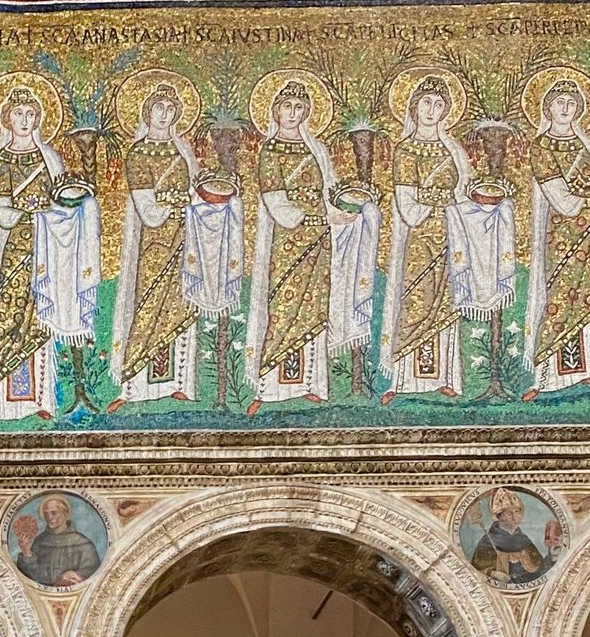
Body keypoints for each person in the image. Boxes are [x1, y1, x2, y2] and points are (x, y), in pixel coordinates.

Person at [244, 80, 376, 411]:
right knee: (284, 309)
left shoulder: (316, 150)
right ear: (276, 111)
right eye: (287, 107)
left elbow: (329, 193)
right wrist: (322, 219)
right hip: (287, 244)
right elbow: (278, 206)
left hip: (319, 243)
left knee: (316, 308)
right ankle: (269, 389)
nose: (293, 113)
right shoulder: (270, 151)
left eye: (299, 108)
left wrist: (347, 210)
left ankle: (310, 384)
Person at [0, 84, 98, 425]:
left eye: (30, 114)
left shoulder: (49, 158)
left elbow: (63, 198)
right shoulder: (0, 161)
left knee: (43, 318)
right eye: (18, 114)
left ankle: (40, 400)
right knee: (10, 318)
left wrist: (71, 204)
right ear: (7, 119)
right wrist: (32, 211)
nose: (25, 120)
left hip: (50, 249)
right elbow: (1, 212)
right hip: (16, 250)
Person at [380, 75, 511, 400]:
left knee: (446, 306)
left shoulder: (452, 150)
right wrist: (442, 201)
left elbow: (464, 194)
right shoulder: (405, 150)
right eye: (426, 102)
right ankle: (403, 382)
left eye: (439, 105)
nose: (432, 110)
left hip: (452, 238)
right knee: (416, 303)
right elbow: (408, 207)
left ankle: (444, 378)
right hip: (419, 241)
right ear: (414, 107)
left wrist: (487, 205)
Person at [110, 83, 201, 407]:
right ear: (147, 112)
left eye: (170, 108)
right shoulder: (137, 153)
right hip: (153, 245)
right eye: (159, 107)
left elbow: (194, 193)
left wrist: (189, 203)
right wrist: (176, 203)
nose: (164, 114)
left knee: (181, 306)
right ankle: (135, 387)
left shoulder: (182, 151)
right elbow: (147, 209)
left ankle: (178, 383)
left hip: (184, 239)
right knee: (148, 307)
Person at [524, 79, 590, 398]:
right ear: (547, 107)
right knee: (561, 298)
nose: (565, 108)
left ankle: (585, 371)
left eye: (571, 103)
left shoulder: (585, 144)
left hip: (588, 232)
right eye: (559, 102)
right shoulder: (541, 147)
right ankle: (549, 377)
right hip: (561, 238)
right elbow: (563, 202)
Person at [13, 494, 100, 587]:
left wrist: (76, 575)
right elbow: (31, 578)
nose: (49, 518)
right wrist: (27, 553)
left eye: (54, 513)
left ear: (65, 514)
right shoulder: (39, 541)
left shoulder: (83, 544)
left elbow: (94, 573)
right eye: (46, 514)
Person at [469, 488, 552, 585]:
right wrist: (492, 573)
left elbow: (540, 572)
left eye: (517, 512)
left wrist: (552, 557)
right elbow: (473, 572)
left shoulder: (524, 541)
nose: (514, 517)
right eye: (509, 513)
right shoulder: (488, 542)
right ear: (499, 516)